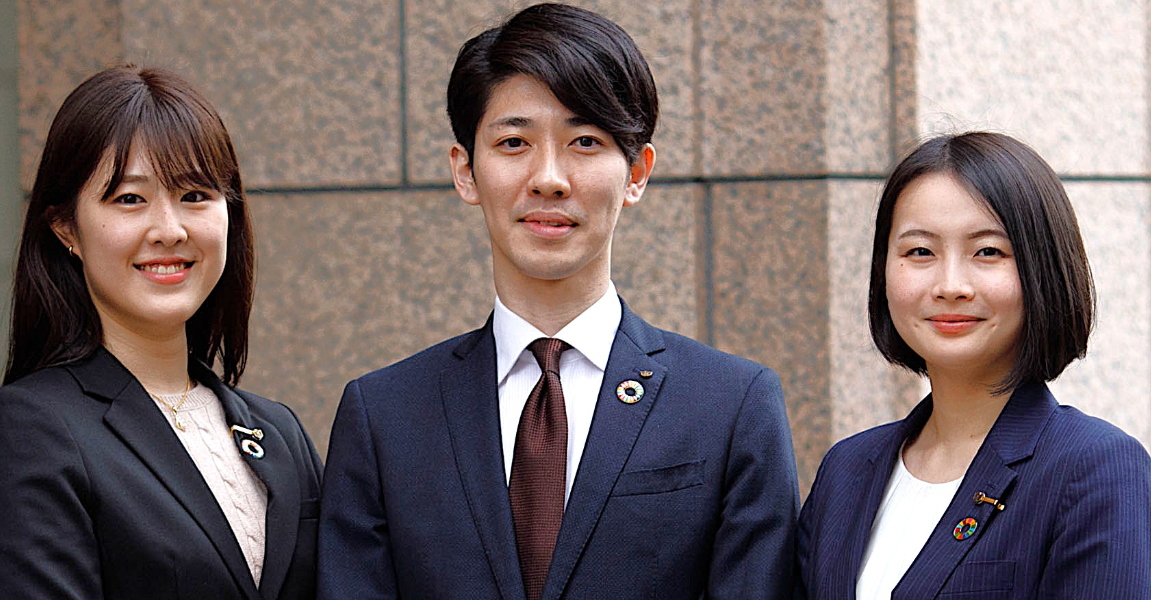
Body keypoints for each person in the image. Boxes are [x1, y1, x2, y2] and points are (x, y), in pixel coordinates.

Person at [316, 4, 801, 599]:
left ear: (637, 173)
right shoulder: (384, 416)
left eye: (585, 141)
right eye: (514, 142)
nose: (549, 177)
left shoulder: (732, 405)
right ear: (465, 171)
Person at [0, 65, 323, 600]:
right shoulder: (27, 429)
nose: (170, 230)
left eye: (195, 195)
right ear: (66, 228)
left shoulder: (279, 432)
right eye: (130, 199)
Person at [795, 131, 1151, 599]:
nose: (951, 285)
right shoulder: (846, 470)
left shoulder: (1094, 468)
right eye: (920, 252)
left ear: (1042, 270)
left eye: (988, 251)